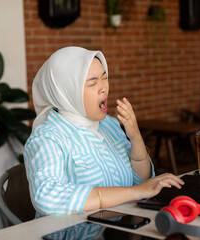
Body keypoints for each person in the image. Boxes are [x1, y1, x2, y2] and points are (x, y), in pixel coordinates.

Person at [23, 46, 184, 217]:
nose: (103, 88)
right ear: (68, 91)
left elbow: (141, 181)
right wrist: (134, 192)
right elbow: (47, 197)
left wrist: (135, 135)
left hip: (117, 229)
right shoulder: (48, 137)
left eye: (105, 78)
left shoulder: (109, 125)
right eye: (93, 82)